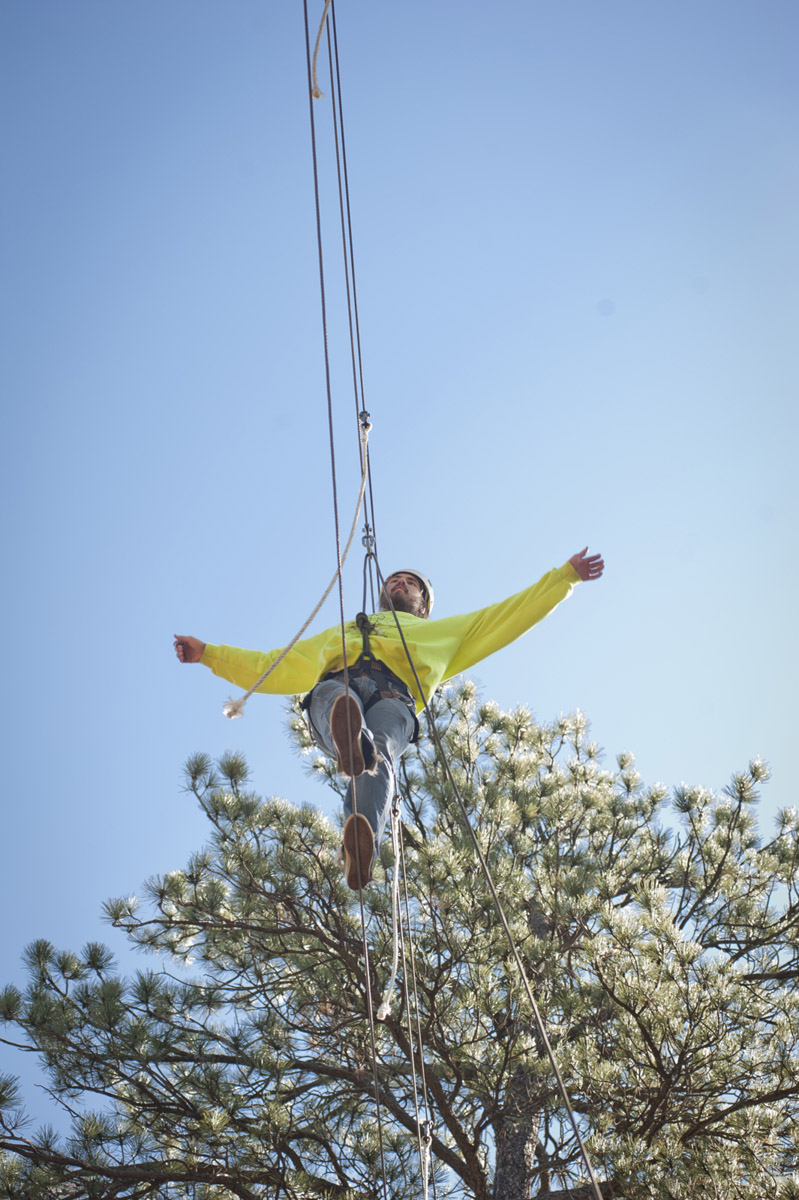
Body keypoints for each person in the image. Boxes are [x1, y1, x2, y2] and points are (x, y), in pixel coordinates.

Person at [174, 548, 604, 890]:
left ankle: (360, 840)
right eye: (394, 579)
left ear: (423, 605)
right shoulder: (340, 633)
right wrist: (209, 654)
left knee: (379, 753)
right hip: (338, 685)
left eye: (411, 583)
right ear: (383, 593)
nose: (400, 582)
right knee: (333, 697)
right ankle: (349, 735)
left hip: (394, 699)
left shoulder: (445, 633)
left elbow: (506, 616)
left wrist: (563, 578)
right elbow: (272, 663)